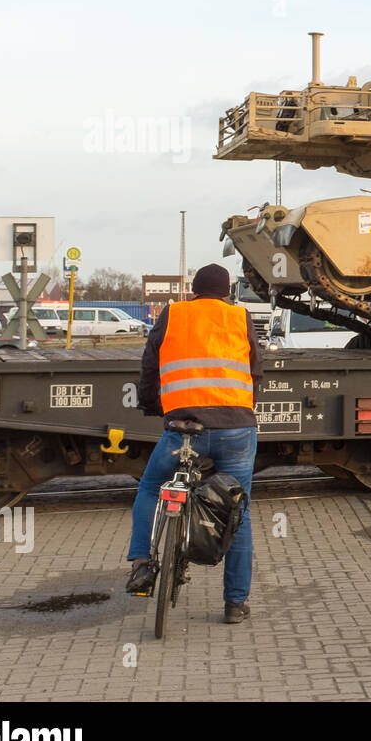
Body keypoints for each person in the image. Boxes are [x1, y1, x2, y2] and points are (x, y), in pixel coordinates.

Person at [125, 263, 263, 624]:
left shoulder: (173, 313)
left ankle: (141, 562)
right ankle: (235, 604)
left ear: (194, 290)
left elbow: (149, 366)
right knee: (238, 511)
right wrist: (243, 407)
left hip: (183, 428)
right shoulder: (239, 317)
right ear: (226, 291)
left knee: (152, 487)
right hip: (235, 430)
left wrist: (152, 405)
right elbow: (256, 370)